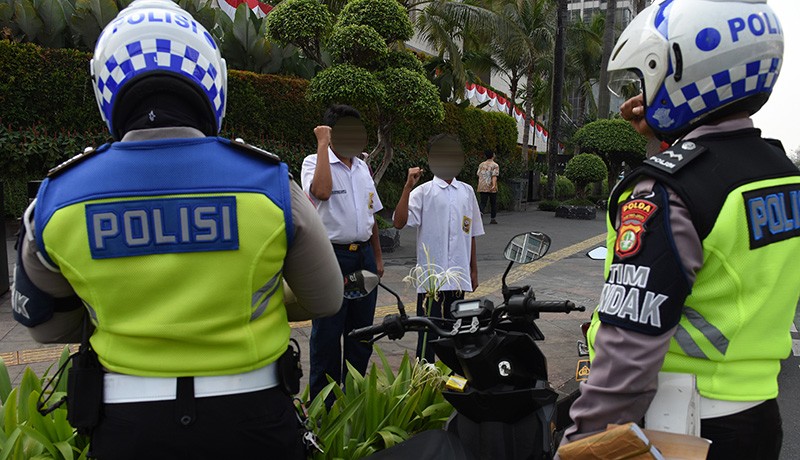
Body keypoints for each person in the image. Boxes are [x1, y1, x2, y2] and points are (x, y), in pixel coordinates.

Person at [9, 1, 343, 458]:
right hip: (254, 420)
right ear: (213, 79)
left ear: (104, 84)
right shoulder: (270, 186)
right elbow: (325, 299)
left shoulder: (57, 200)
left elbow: (45, 327)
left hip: (127, 427)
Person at [560, 1, 799, 459]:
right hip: (756, 419)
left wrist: (582, 446)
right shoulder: (781, 173)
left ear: (683, 72)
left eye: (647, 78)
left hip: (682, 426)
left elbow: (628, 351)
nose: (642, 93)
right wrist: (663, 136)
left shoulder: (666, 191)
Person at [300, 105, 385, 402]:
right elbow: (321, 192)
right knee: (327, 333)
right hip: (331, 258)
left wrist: (377, 257)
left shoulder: (362, 167)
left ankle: (353, 399)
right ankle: (324, 406)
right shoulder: (314, 161)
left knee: (361, 333)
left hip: (363, 256)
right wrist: (323, 144)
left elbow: (371, 214)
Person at [393, 134, 484, 362]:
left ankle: (452, 375)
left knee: (457, 333)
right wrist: (407, 187)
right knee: (428, 336)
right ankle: (425, 375)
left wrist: (473, 270)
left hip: (458, 279)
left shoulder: (467, 192)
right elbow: (399, 222)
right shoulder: (423, 192)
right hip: (431, 282)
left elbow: (471, 233)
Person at [476, 149, 500, 224]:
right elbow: (494, 176)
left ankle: (480, 213)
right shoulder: (495, 165)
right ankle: (493, 218)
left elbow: (478, 174)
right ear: (493, 155)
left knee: (483, 202)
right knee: (493, 203)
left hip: (482, 185)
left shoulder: (481, 164)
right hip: (491, 186)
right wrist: (494, 185)